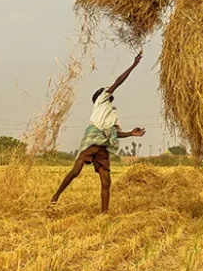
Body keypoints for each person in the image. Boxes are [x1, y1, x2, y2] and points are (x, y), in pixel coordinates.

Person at [50, 52, 147, 213]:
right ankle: (55, 197)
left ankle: (104, 214)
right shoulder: (101, 100)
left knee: (106, 182)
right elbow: (118, 82)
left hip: (104, 146)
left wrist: (130, 133)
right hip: (93, 140)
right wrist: (133, 65)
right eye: (105, 89)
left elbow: (114, 133)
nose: (108, 89)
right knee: (75, 171)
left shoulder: (112, 113)